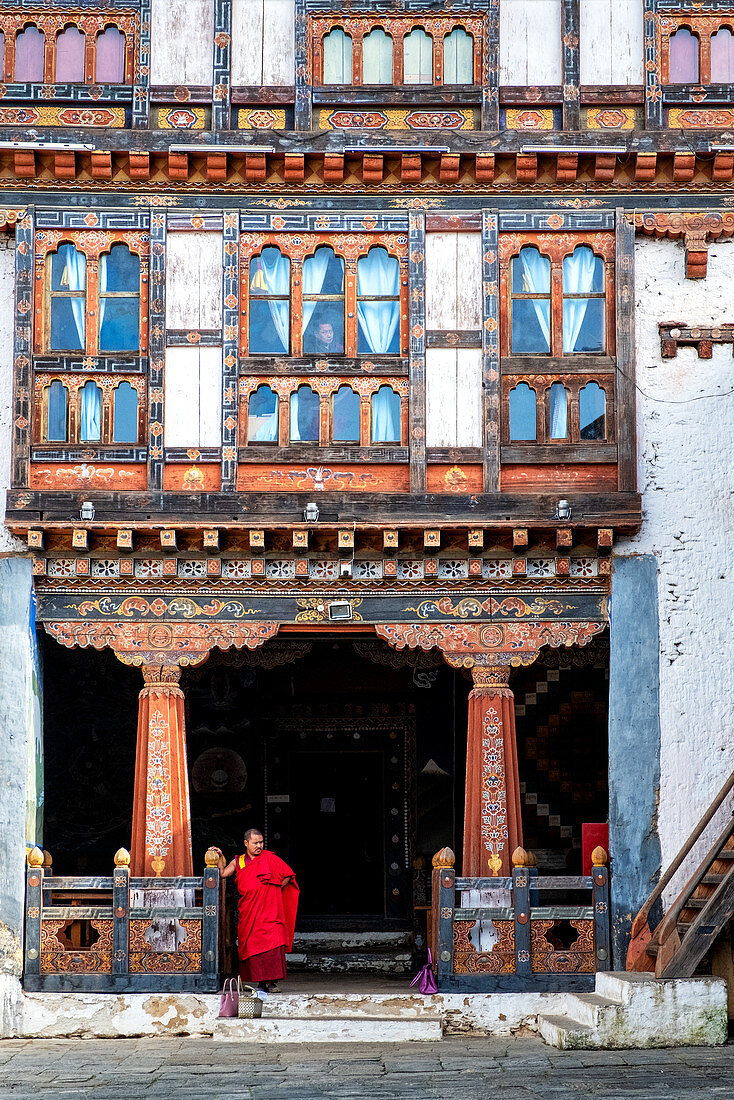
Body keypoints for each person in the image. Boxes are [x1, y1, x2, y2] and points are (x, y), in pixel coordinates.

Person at [217, 829, 299, 993]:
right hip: (249, 911)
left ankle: (272, 983)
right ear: (246, 843)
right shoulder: (238, 862)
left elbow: (289, 875)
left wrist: (274, 889)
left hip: (270, 912)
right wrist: (219, 857)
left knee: (273, 945)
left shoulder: (270, 858)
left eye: (261, 842)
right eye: (255, 843)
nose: (259, 846)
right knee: (254, 947)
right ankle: (260, 983)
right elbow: (223, 873)